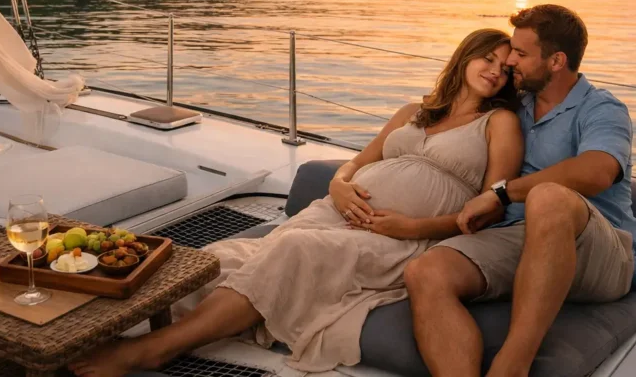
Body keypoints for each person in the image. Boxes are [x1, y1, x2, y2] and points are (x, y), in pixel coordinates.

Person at [71, 29, 524, 377]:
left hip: (403, 238)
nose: (495, 70)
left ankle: (154, 349)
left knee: (290, 252)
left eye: (505, 68)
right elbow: (355, 164)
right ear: (465, 56)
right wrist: (339, 187)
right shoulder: (413, 112)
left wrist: (411, 228)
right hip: (338, 211)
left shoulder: (497, 122)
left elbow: (490, 206)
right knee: (219, 258)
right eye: (488, 57)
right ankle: (82, 329)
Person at [404, 4, 636, 377]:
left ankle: (511, 368)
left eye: (520, 53)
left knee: (548, 197)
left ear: (556, 61)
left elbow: (598, 171)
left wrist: (501, 193)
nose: (509, 61)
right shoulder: (516, 105)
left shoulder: (602, 108)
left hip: (602, 252)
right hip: (521, 239)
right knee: (426, 272)